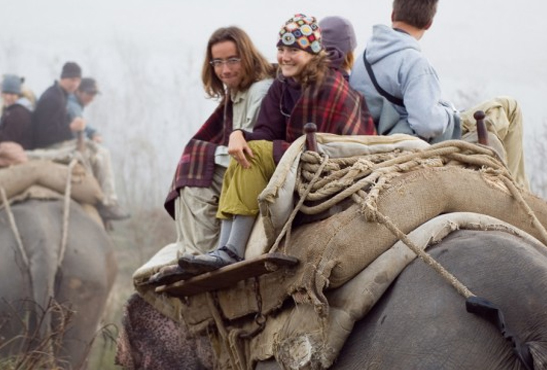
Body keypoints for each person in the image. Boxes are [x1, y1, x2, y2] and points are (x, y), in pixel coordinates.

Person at [178, 14, 377, 273]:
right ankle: (224, 247)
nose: (284, 57)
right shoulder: (283, 84)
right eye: (281, 49)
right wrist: (239, 134)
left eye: (294, 50)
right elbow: (265, 130)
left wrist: (264, 147)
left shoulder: (330, 89)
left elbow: (325, 149)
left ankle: (232, 250)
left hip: (325, 167)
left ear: (314, 53)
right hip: (292, 158)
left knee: (257, 153)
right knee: (245, 152)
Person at [350, 0, 529, 188]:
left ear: (393, 15)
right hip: (420, 140)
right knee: (509, 107)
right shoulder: (414, 63)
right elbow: (428, 125)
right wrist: (447, 111)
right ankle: (519, 192)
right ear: (429, 24)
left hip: (383, 137)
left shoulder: (364, 57)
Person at [164, 26, 274, 256]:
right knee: (191, 170)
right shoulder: (235, 94)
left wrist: (205, 155)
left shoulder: (260, 91)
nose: (224, 70)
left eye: (232, 60)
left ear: (247, 56)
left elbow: (252, 146)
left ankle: (199, 252)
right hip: (240, 166)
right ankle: (188, 251)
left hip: (256, 168)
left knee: (195, 174)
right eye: (218, 62)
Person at [31, 63, 129, 220]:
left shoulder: (60, 95)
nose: (74, 83)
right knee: (101, 153)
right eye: (71, 79)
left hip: (58, 142)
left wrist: (82, 130)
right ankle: (108, 201)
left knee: (96, 150)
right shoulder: (54, 98)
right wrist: (71, 128)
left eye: (77, 80)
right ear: (63, 77)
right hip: (50, 147)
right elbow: (45, 134)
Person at [67, 77, 102, 143]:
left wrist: (93, 133)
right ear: (78, 91)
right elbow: (79, 129)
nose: (92, 98)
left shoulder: (74, 103)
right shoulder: (72, 106)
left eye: (94, 94)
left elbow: (83, 124)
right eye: (89, 93)